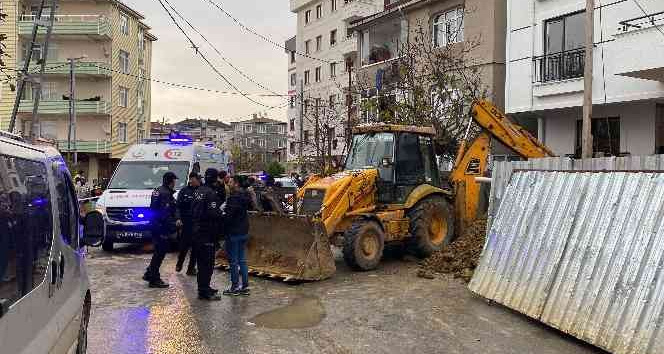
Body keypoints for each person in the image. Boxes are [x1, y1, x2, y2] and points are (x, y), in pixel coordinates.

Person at [191, 168, 224, 301]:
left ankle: (204, 287)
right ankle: (204, 291)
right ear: (215, 179)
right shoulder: (211, 194)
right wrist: (222, 213)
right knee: (207, 263)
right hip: (206, 233)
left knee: (201, 263)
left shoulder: (198, 191)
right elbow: (213, 213)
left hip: (196, 231)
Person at [143, 172, 179, 289]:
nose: (175, 183)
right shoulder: (165, 194)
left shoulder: (158, 191)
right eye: (174, 180)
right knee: (160, 253)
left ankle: (149, 273)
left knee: (158, 251)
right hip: (161, 227)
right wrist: (174, 224)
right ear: (170, 181)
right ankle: (154, 279)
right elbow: (165, 213)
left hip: (155, 225)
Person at [222, 175, 252, 296]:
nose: (228, 183)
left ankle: (235, 287)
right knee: (242, 260)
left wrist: (223, 213)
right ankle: (245, 286)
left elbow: (229, 216)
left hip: (234, 232)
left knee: (233, 261)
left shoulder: (233, 198)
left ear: (236, 184)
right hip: (244, 231)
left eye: (230, 182)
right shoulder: (245, 196)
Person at [175, 172, 201, 276]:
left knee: (195, 247)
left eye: (194, 180)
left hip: (197, 223)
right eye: (191, 180)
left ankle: (191, 268)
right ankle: (179, 264)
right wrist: (178, 218)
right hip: (186, 223)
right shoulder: (184, 191)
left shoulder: (201, 191)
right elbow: (178, 206)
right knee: (184, 246)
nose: (191, 182)